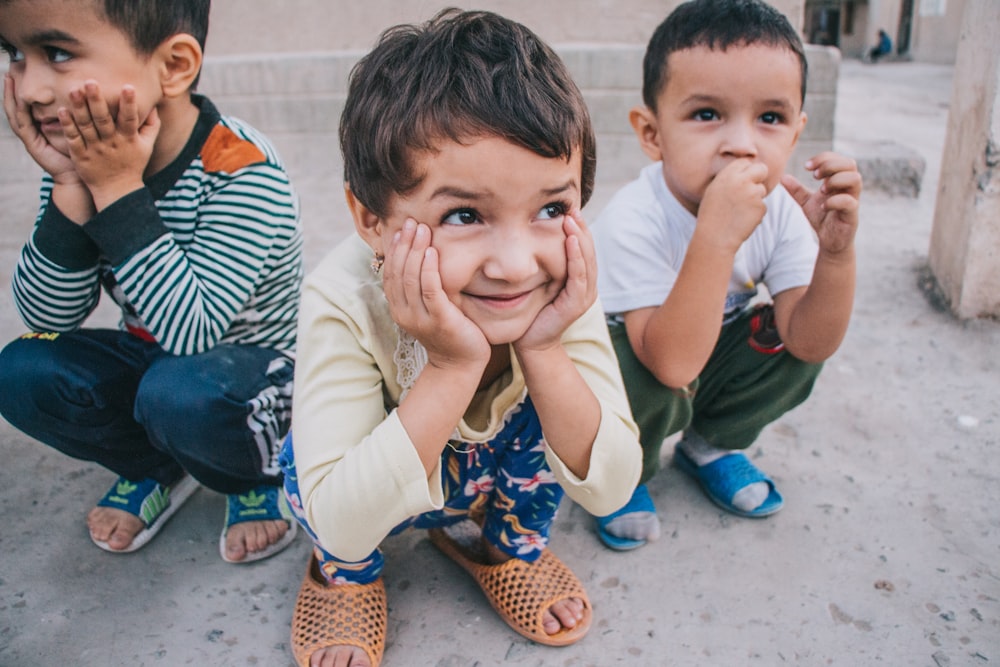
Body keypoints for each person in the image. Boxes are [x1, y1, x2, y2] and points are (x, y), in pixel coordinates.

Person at [279, 9, 642, 666]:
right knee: (309, 468)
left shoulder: (556, 287)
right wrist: (449, 368)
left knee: (559, 403)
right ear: (373, 219)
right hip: (373, 485)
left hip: (482, 479)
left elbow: (611, 488)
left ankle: (503, 544)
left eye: (552, 208)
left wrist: (543, 348)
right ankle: (347, 576)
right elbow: (337, 515)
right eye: (465, 214)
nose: (516, 263)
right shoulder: (342, 294)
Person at [0, 0, 303, 563]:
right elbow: (49, 319)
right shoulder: (83, 164)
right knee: (22, 369)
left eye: (58, 52)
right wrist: (70, 187)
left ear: (173, 66)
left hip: (249, 376)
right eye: (15, 54)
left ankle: (251, 479)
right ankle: (155, 465)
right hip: (158, 363)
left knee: (181, 393)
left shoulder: (239, 169)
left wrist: (116, 189)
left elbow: (194, 334)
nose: (31, 87)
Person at [589, 0, 862, 551]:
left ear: (795, 133)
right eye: (708, 114)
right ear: (652, 133)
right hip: (633, 372)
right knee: (635, 368)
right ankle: (622, 475)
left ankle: (710, 445)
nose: (742, 143)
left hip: (701, 357)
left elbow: (811, 341)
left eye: (770, 118)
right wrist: (715, 237)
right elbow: (668, 364)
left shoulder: (781, 210)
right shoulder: (632, 218)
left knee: (785, 340)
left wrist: (835, 254)